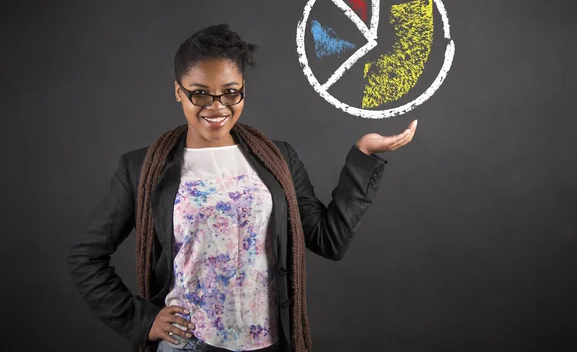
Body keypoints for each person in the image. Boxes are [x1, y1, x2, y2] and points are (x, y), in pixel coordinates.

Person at [65, 24, 418, 352]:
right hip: (188, 344)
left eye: (230, 93)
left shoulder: (277, 159)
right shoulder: (142, 168)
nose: (217, 107)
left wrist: (364, 156)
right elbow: (86, 256)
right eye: (200, 94)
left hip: (269, 343)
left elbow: (329, 240)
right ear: (178, 92)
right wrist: (141, 320)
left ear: (243, 91)